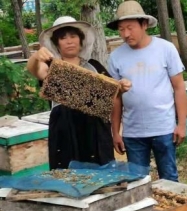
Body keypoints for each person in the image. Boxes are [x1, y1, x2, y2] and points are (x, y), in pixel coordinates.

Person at [27, 16, 131, 170]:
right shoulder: (51, 67)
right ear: (57, 44)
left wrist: (121, 86)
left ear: (81, 41)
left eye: (73, 36)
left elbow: (114, 96)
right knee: (68, 176)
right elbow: (34, 70)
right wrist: (36, 57)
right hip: (65, 130)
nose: (69, 41)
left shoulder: (94, 66)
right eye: (63, 38)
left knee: (101, 177)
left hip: (95, 130)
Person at [107, 1, 187, 182]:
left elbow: (179, 87)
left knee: (169, 179)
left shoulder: (165, 49)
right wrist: (116, 132)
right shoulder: (115, 57)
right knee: (138, 183)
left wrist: (181, 124)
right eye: (121, 29)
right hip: (133, 133)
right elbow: (116, 98)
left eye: (130, 28)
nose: (126, 34)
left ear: (144, 24)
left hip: (164, 129)